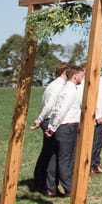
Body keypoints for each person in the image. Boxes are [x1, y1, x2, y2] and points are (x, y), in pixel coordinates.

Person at [30, 62, 69, 194]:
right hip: (51, 121)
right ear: (64, 72)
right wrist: (40, 119)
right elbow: (49, 106)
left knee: (47, 152)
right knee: (52, 155)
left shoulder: (53, 84)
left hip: (48, 120)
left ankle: (40, 181)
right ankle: (47, 184)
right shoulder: (58, 86)